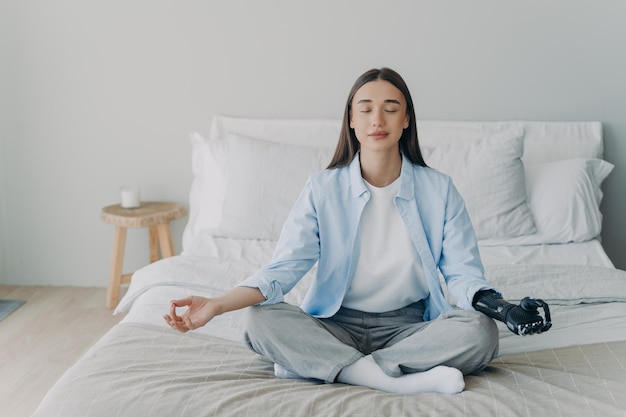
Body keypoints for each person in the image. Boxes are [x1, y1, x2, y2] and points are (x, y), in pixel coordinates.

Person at [164, 67, 551, 395]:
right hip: (334, 324)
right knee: (257, 319)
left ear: (407, 118)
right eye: (365, 109)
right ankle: (394, 381)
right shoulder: (322, 189)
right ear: (351, 119)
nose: (377, 120)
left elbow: (463, 274)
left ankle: (321, 366)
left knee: (481, 332)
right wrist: (217, 304)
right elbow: (283, 270)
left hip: (412, 328)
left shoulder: (439, 190)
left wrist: (503, 308)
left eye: (390, 109)